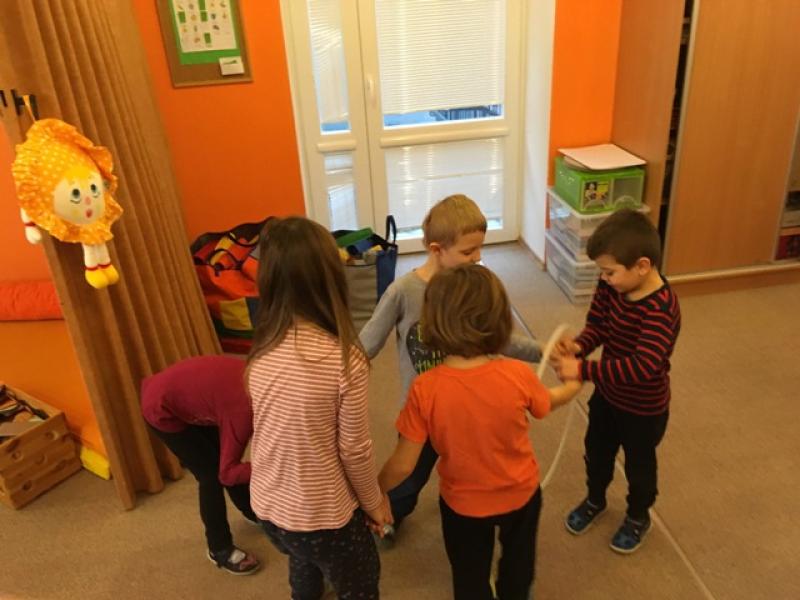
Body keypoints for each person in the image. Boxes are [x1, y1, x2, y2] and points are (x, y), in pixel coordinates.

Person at [379, 264, 582, 599]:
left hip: (463, 505)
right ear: (500, 320)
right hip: (521, 494)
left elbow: (403, 465)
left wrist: (375, 492)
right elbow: (549, 401)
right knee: (519, 564)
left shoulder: (424, 389)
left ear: (433, 323)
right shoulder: (517, 373)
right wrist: (574, 384)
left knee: (469, 574)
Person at [359, 194, 542, 543]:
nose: (478, 258)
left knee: (474, 473)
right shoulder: (404, 291)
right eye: (468, 251)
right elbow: (365, 345)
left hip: (468, 407)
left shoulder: (472, 288)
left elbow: (497, 338)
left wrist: (542, 350)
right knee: (409, 476)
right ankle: (389, 516)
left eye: (480, 248)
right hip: (423, 412)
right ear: (436, 249)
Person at [246, 217, 392, 599]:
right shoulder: (345, 360)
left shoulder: (262, 349)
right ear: (332, 278)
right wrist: (374, 503)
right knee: (361, 578)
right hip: (323, 518)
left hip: (268, 507)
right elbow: (355, 450)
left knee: (303, 558)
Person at [552, 208, 681, 554]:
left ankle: (638, 516)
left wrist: (583, 370)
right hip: (608, 397)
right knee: (596, 452)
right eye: (602, 272)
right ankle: (595, 499)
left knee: (640, 468)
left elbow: (642, 366)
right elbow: (599, 326)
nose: (605, 278)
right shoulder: (612, 286)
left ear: (642, 266)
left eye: (610, 272)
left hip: (643, 409)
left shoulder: (661, 309)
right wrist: (579, 346)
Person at [140, 356, 260, 575]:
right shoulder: (241, 411)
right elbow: (228, 472)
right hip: (161, 408)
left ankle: (251, 511)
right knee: (211, 475)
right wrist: (271, 468)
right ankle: (219, 548)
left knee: (222, 455)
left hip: (197, 398)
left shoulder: (261, 377)